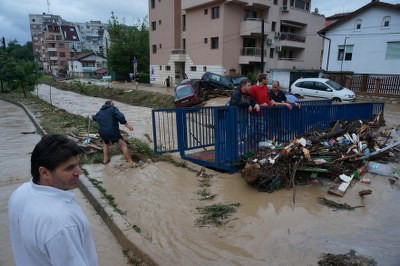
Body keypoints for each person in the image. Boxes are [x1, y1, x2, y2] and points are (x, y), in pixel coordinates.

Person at [8, 134, 98, 266]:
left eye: (78, 164)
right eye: (69, 168)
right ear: (44, 173)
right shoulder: (61, 223)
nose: (79, 172)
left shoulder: (20, 193)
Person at [92, 100, 135, 165]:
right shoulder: (113, 109)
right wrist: (127, 125)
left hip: (102, 132)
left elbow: (95, 118)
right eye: (113, 104)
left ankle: (105, 160)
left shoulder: (100, 112)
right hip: (112, 131)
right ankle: (131, 162)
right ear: (111, 104)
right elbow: (120, 116)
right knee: (123, 145)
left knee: (106, 144)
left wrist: (93, 116)